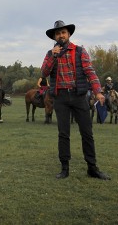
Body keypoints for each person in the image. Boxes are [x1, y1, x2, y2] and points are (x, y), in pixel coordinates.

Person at [41, 20, 110, 180]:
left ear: (69, 34)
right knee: (63, 133)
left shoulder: (80, 51)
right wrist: (53, 56)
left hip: (79, 96)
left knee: (87, 132)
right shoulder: (50, 54)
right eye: (57, 33)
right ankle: (65, 168)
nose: (61, 35)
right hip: (61, 97)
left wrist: (98, 92)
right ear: (54, 37)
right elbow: (44, 73)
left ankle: (92, 168)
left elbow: (90, 72)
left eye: (63, 32)